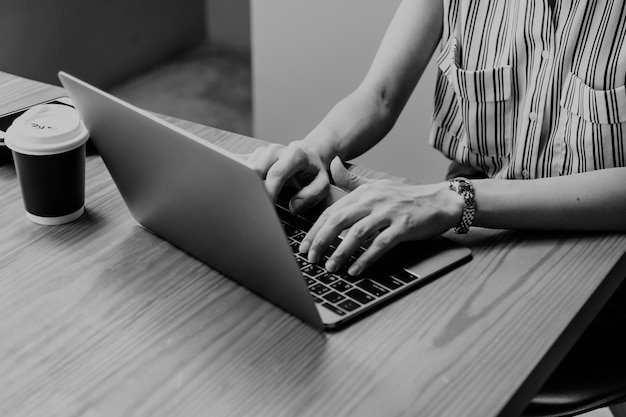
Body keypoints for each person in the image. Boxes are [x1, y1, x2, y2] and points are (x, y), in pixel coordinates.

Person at [246, 0, 626, 278]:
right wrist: (315, 150)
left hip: (602, 251)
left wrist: (456, 198)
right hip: (475, 225)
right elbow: (379, 96)